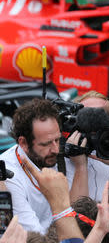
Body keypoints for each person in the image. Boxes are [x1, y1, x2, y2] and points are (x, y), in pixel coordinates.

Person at [0, 98, 85, 233]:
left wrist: (81, 167)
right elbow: (36, 237)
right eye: (45, 144)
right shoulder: (7, 175)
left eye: (57, 140)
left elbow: (80, 216)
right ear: (23, 143)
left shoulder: (63, 156)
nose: (56, 149)